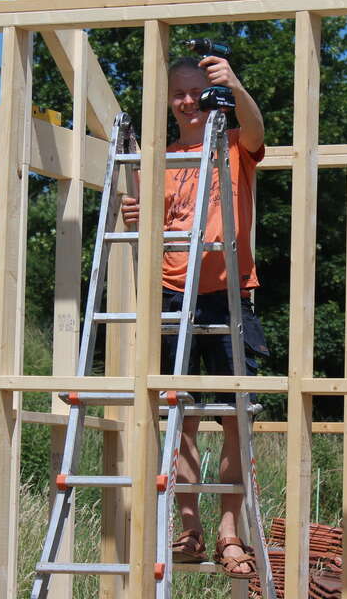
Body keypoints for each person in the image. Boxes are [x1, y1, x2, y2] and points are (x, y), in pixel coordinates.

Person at [121, 54, 269, 579]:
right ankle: (191, 529)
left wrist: (235, 83)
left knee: (231, 415)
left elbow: (256, 130)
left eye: (197, 92)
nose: (188, 102)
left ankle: (231, 534)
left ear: (211, 98)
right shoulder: (160, 159)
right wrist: (138, 216)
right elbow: (155, 226)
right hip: (169, 293)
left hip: (227, 294)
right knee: (176, 415)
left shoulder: (231, 146)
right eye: (179, 94)